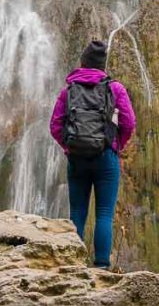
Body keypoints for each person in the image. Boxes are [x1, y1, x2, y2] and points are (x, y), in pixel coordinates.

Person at [49, 40, 136, 269]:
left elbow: (55, 126)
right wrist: (117, 144)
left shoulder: (68, 90)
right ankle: (101, 267)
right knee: (105, 213)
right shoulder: (115, 88)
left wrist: (69, 147)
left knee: (77, 210)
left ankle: (73, 264)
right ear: (102, 65)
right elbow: (129, 123)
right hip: (106, 156)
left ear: (82, 62)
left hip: (77, 158)